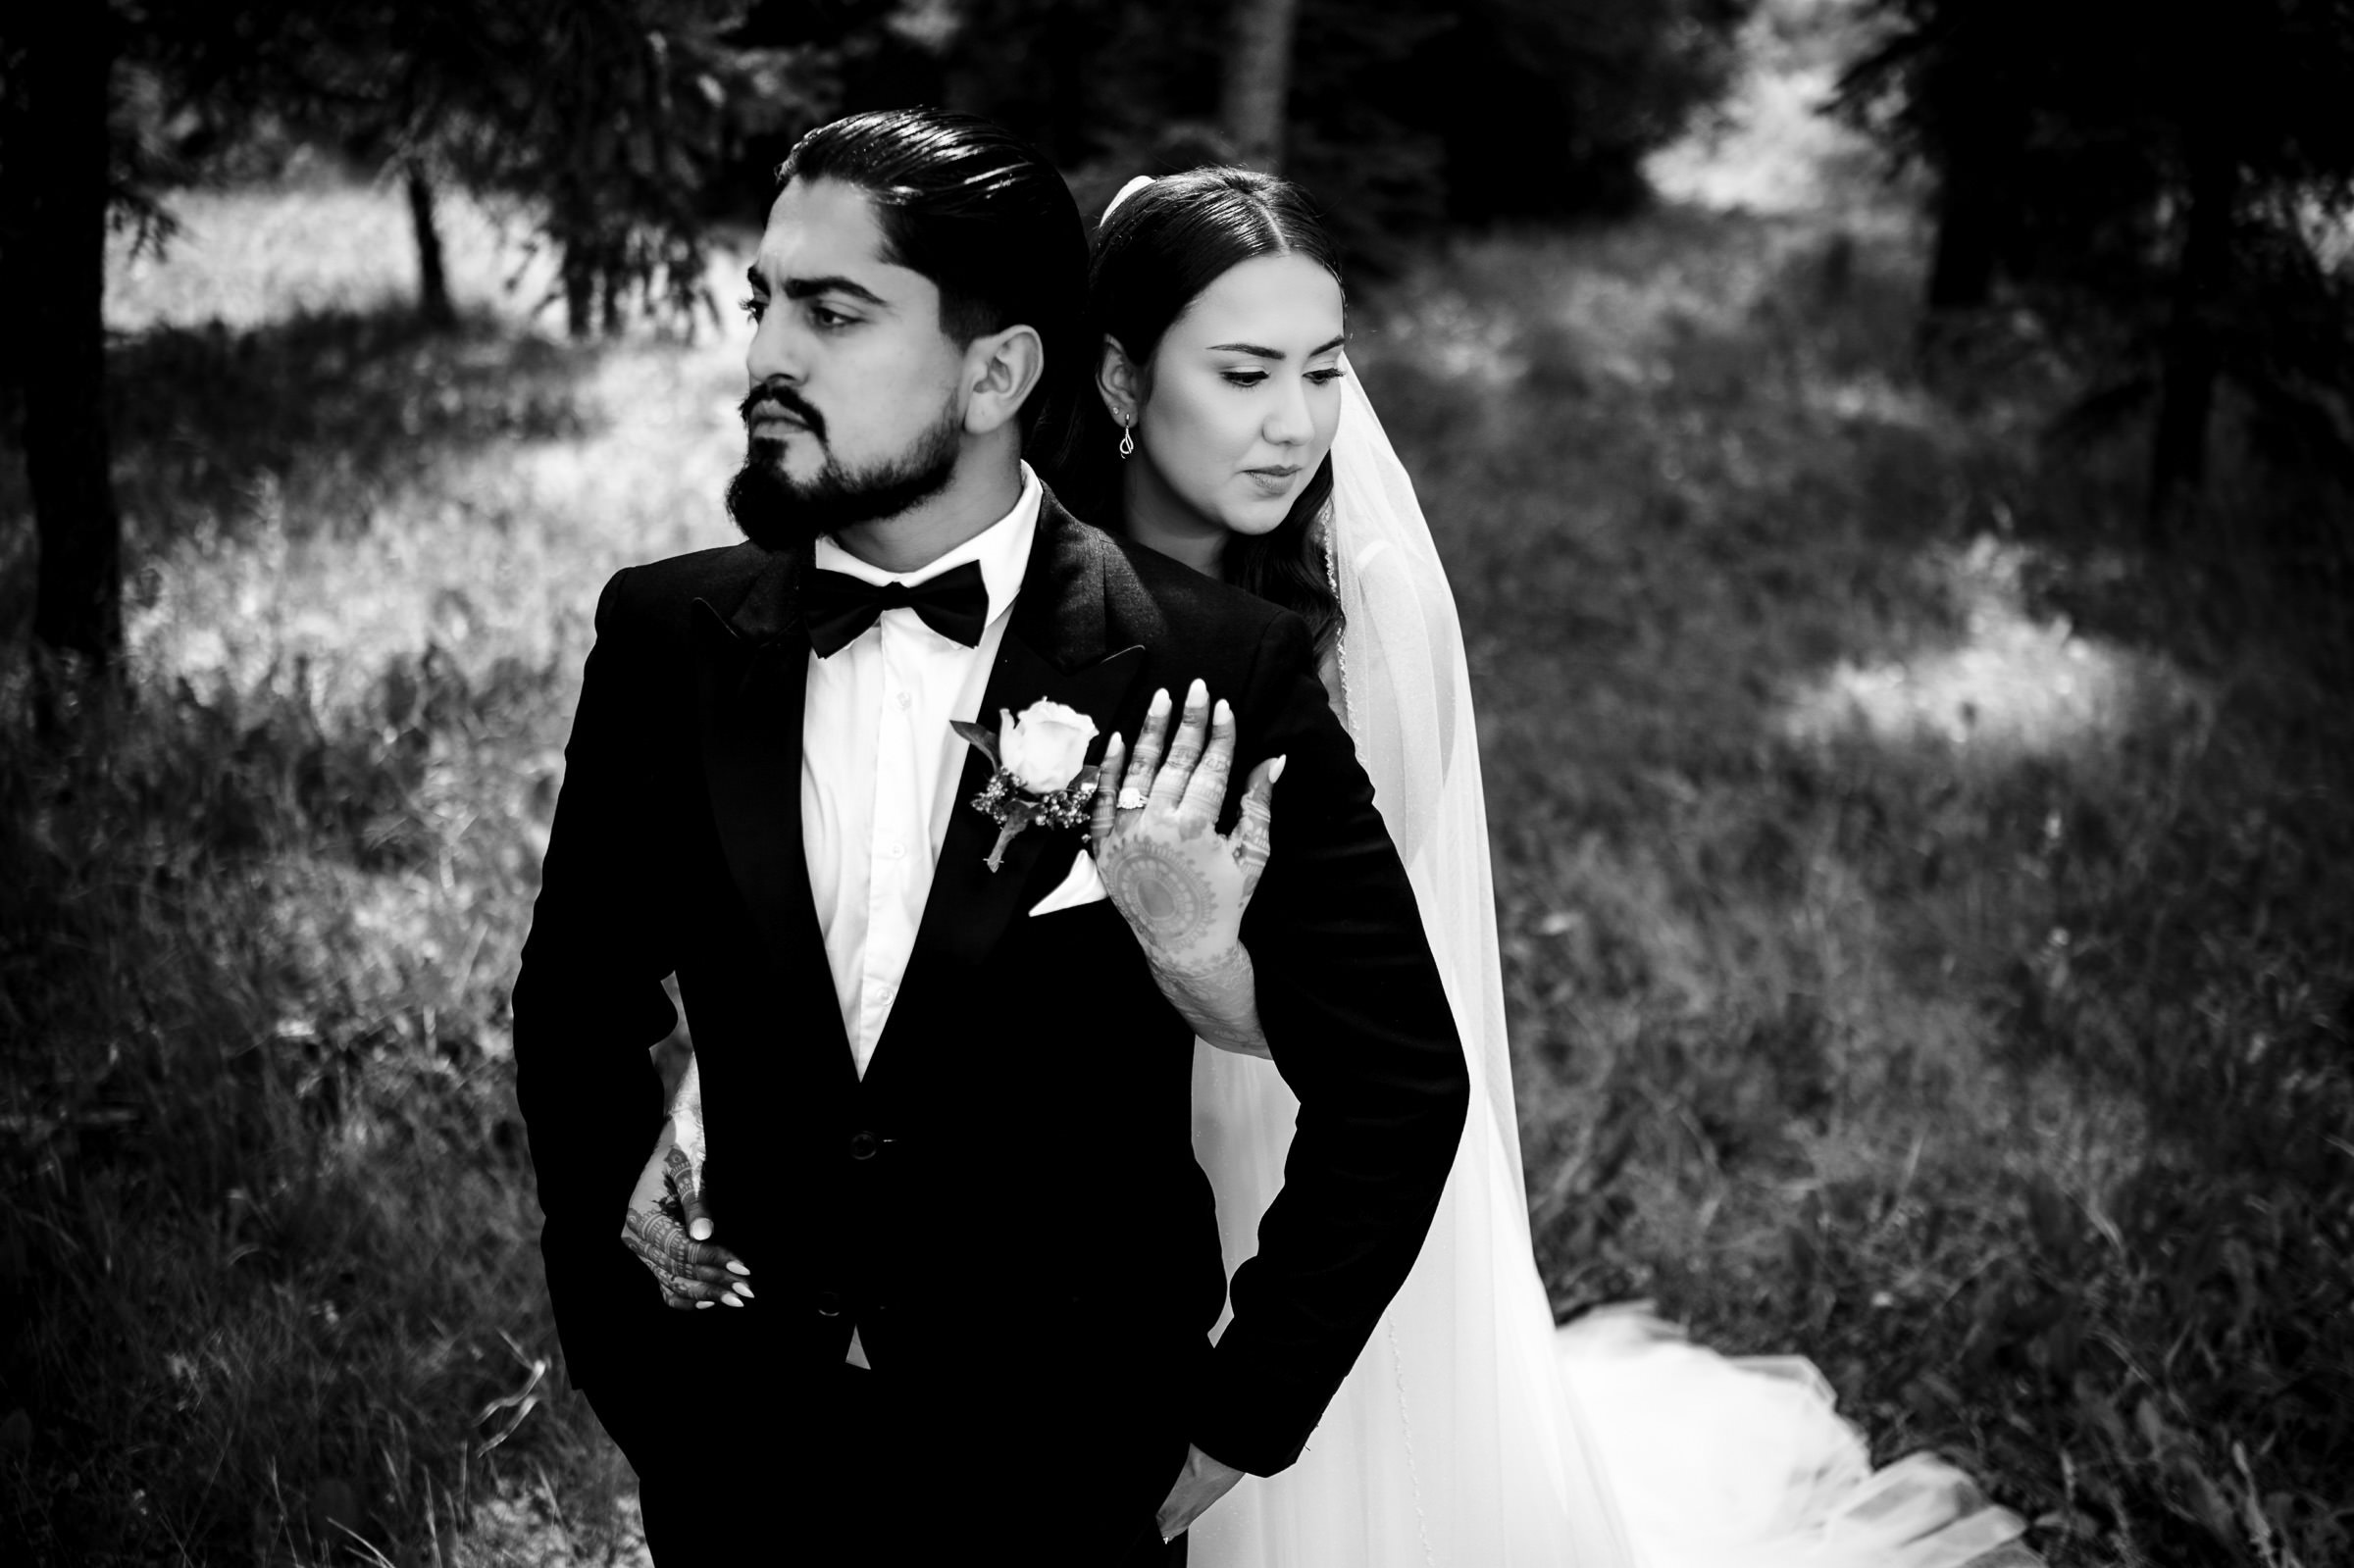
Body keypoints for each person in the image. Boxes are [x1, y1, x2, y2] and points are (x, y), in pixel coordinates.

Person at [632, 157, 2049, 1565]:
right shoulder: (997, 563)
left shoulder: (1354, 613)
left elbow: (1374, 1022)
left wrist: (1198, 953)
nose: (1297, 426)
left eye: (1324, 372)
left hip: (1257, 1129)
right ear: (1121, 385)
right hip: (1012, 1169)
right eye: (1246, 375)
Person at [514, 111, 1471, 1565]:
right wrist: (628, 1360)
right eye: (764, 302)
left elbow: (1396, 1083)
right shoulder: (664, 636)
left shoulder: (1209, 664)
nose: (770, 356)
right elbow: (577, 1006)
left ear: (999, 371)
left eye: (837, 314)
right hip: (734, 1452)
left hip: (1068, 1459)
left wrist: (1231, 1421)